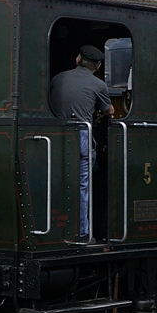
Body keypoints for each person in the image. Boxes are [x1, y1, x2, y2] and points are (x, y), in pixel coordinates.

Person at [49, 45, 114, 240]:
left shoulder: (56, 79)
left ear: (78, 59)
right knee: (83, 184)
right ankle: (83, 232)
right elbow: (109, 111)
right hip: (80, 135)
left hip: (53, 135)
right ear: (98, 66)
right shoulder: (98, 85)